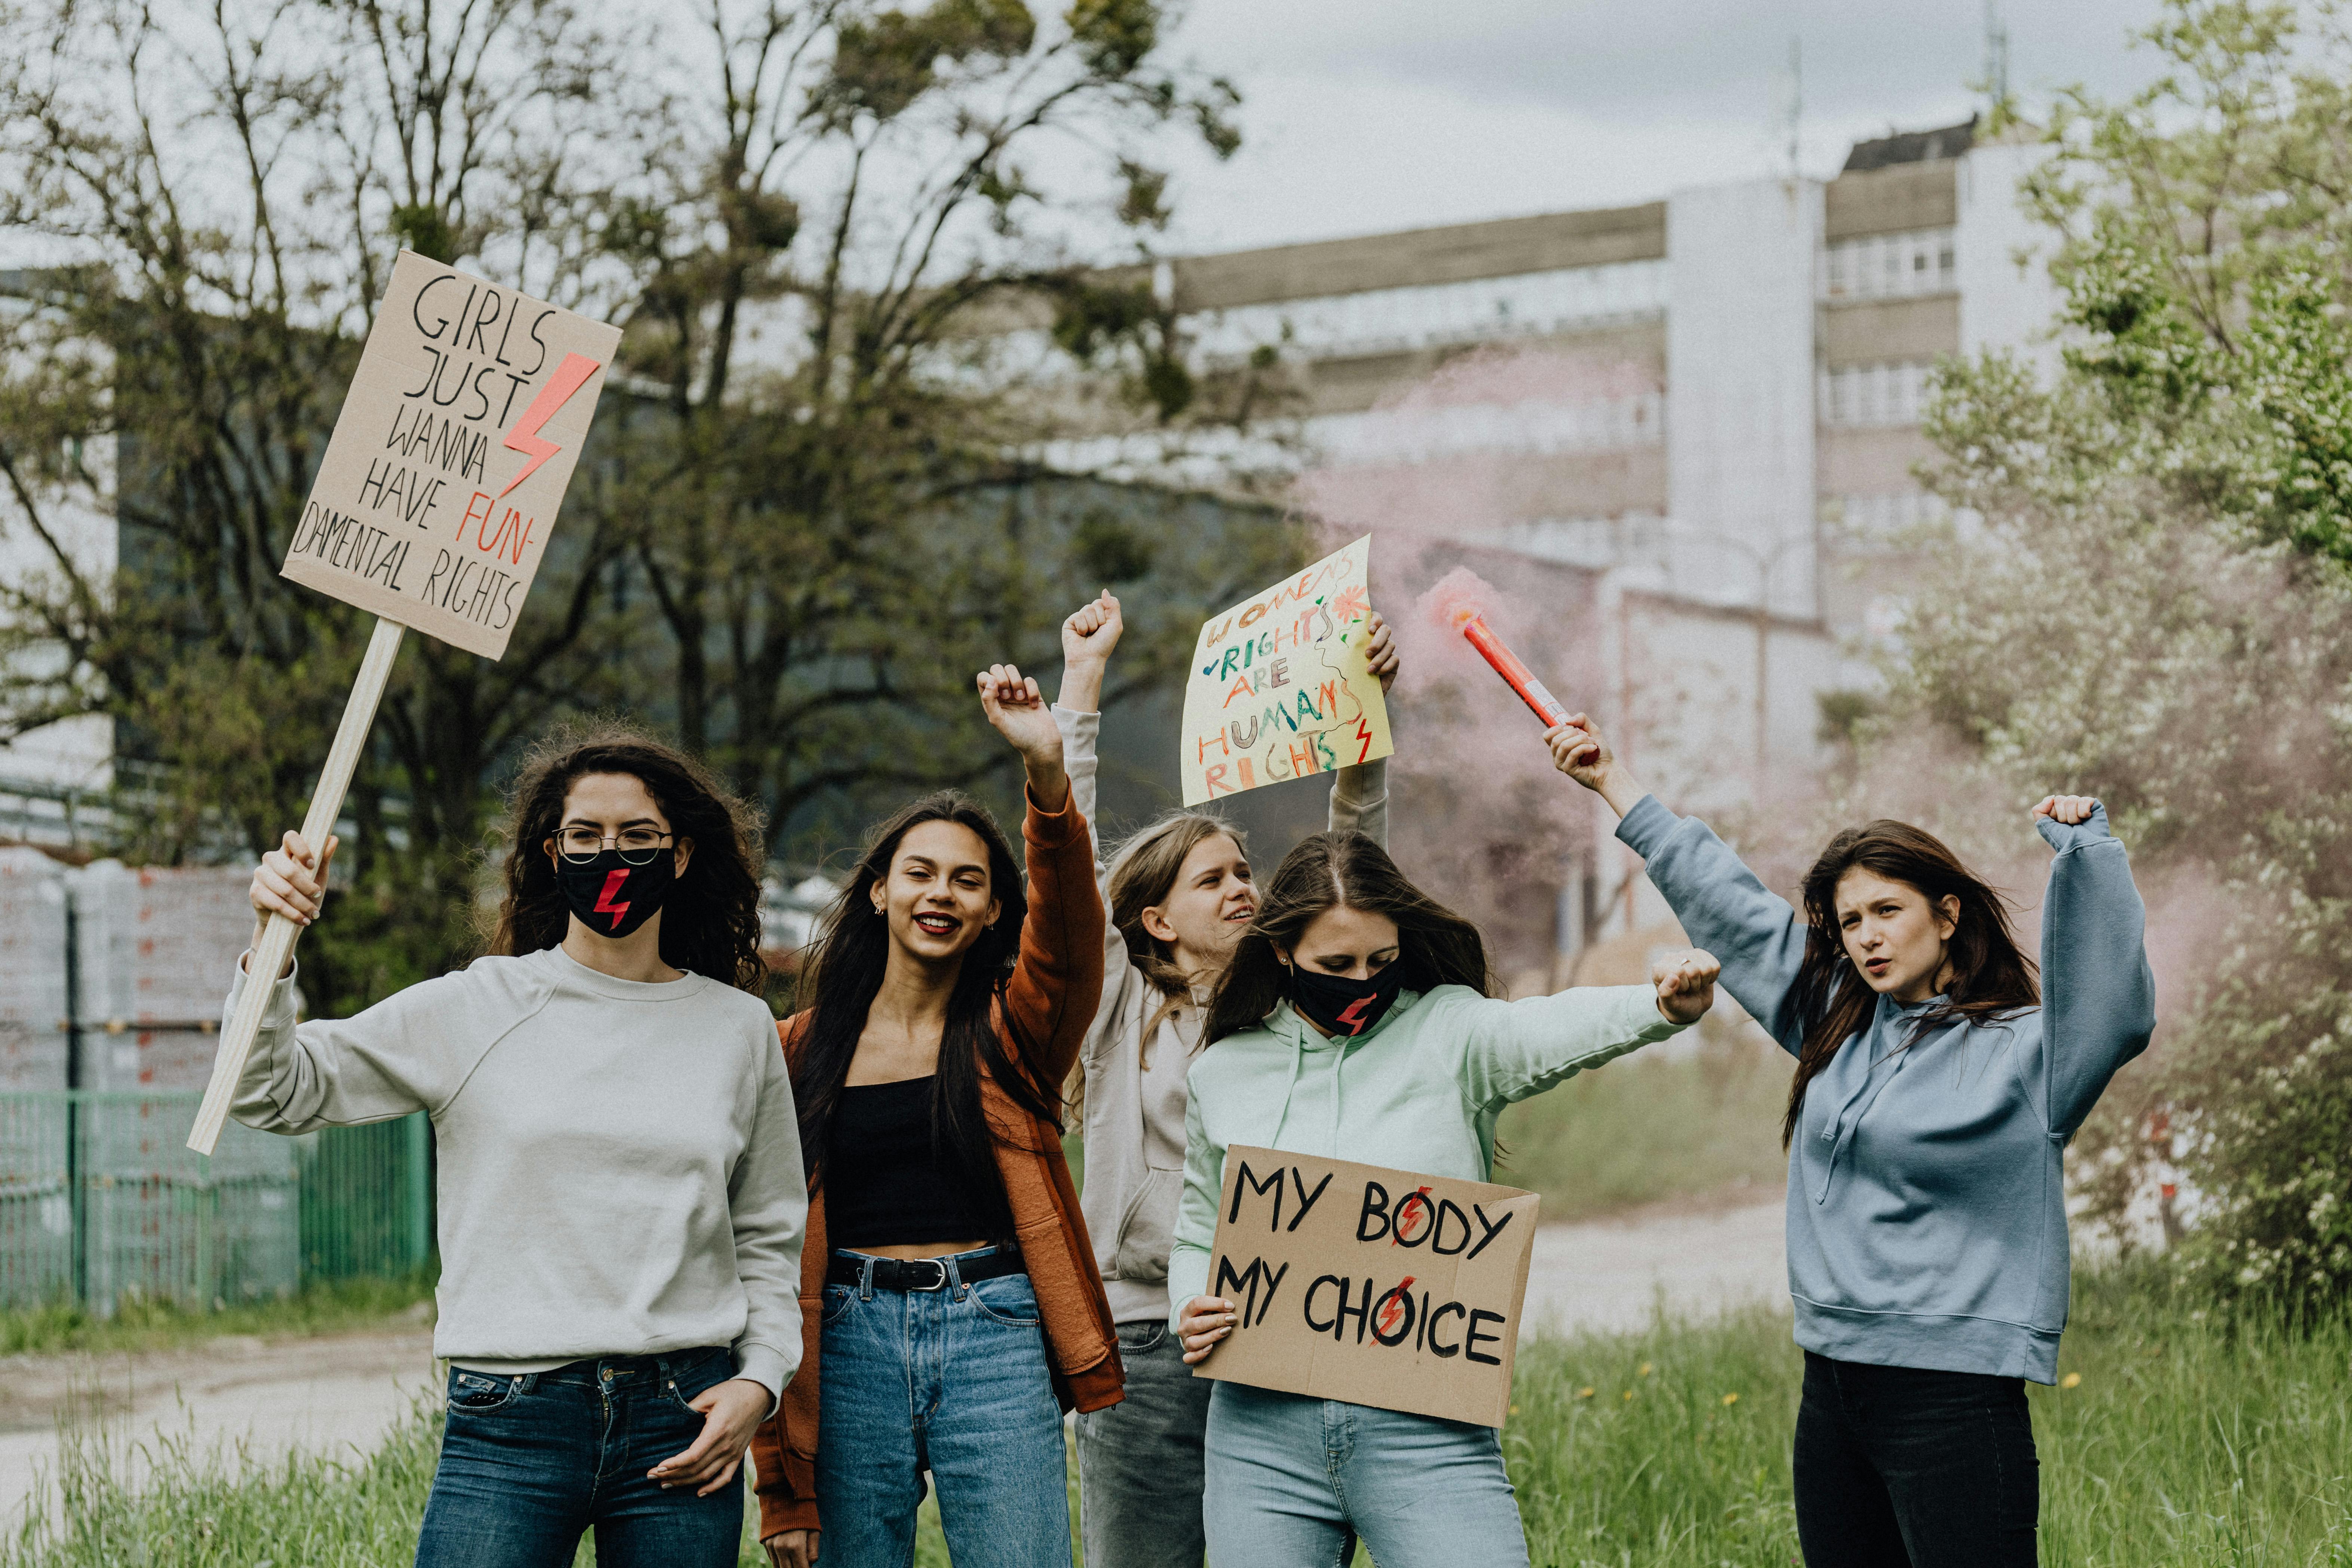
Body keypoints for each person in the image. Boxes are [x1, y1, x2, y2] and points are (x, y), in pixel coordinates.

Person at [1546, 712, 2155, 1568]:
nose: (1866, 936)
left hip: (1953, 1397)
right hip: (1831, 1387)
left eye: (1886, 911)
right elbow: (1736, 911)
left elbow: (2113, 1010)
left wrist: (2087, 854)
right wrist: (1611, 779)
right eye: (1849, 920)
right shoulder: (1837, 1020)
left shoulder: (2027, 1056)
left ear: (1946, 915)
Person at [230, 723, 804, 1568]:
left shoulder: (738, 1029)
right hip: (511, 1420)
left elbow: (768, 1235)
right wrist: (272, 951)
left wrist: (759, 1382)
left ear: (679, 856)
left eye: (638, 837)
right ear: (550, 853)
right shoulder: (477, 1008)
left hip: (682, 1412)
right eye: (585, 837)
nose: (611, 856)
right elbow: (270, 1090)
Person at [1171, 830, 1721, 1568]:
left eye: (1381, 961)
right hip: (1260, 1436)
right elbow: (1199, 1234)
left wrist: (1659, 1007)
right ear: (1281, 952)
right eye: (1335, 966)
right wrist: (1189, 1306)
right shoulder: (1223, 1072)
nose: (1362, 980)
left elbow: (1545, 1029)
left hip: (1424, 1426)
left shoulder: (1453, 1031)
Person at [1050, 589, 1400, 1568]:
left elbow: (1359, 882)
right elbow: (1068, 859)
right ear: (1154, 918)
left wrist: (1362, 740)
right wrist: (1081, 684)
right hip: (1151, 1342)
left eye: (1244, 870)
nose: (1244, 886)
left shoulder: (1300, 1000)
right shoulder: (1116, 1007)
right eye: (1212, 879)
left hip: (1288, 1336)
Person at [751, 662, 1113, 1568]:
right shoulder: (794, 1050)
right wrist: (779, 1487)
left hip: (993, 1329)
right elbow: (755, 1252)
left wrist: (1046, 774)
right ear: (880, 890)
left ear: (994, 911)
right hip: (845, 1342)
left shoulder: (1013, 1035)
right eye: (919, 873)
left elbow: (1070, 941)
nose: (940, 894)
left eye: (966, 881)